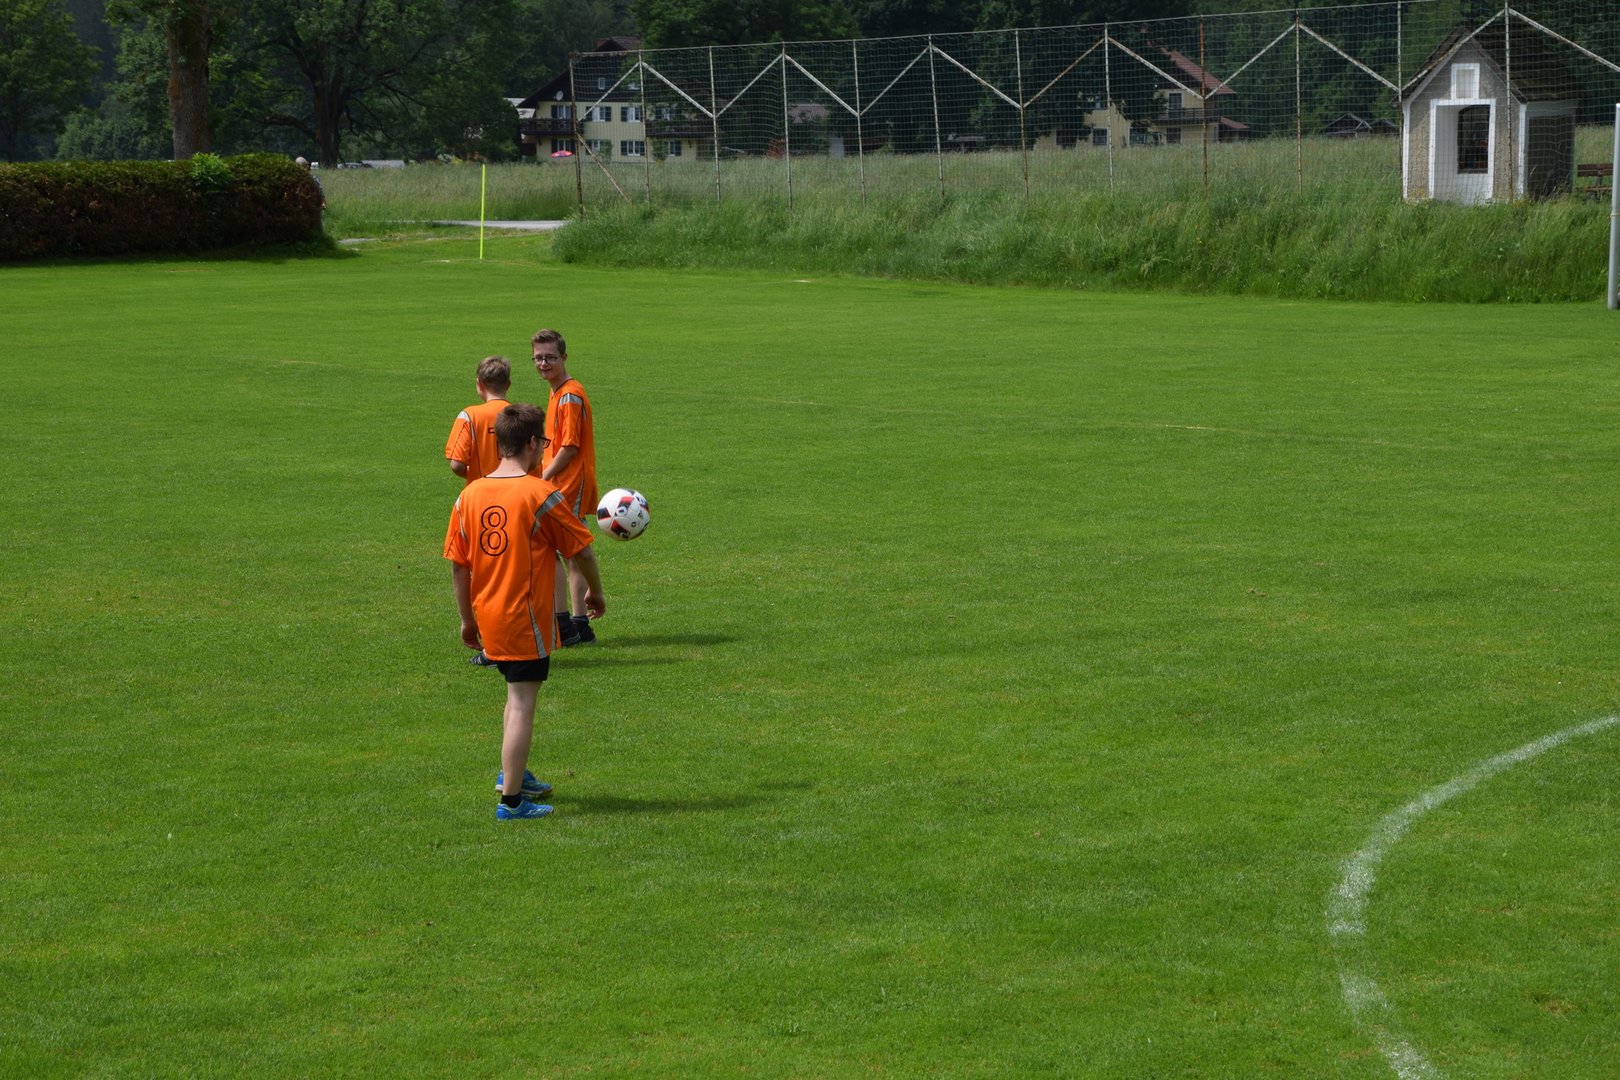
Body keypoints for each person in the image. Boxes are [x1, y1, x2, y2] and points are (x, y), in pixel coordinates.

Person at [444, 403, 606, 820]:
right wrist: (596, 594)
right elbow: (582, 550)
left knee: (514, 695)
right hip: (524, 618)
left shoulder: (469, 495)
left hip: (488, 615)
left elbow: (459, 567)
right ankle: (512, 802)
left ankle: (512, 774)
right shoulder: (540, 494)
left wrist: (466, 620)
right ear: (532, 443)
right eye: (544, 443)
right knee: (521, 703)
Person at [532, 328, 601, 647]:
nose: (544, 363)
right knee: (569, 554)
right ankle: (577, 625)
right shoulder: (557, 391)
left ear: (564, 357)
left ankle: (575, 625)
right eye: (538, 358)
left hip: (567, 485)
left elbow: (570, 447)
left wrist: (543, 479)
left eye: (550, 357)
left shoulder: (569, 395)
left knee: (572, 552)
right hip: (560, 483)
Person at [444, 356, 516, 484]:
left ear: (479, 384)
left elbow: (457, 465)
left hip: (481, 489)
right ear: (508, 384)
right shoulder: (522, 415)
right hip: (515, 489)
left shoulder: (469, 416)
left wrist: (472, 474)